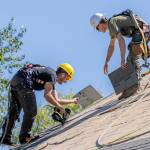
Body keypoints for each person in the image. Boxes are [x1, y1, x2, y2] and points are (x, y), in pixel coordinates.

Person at [0, 63, 79, 145]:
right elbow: (47, 95)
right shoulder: (52, 76)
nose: (66, 82)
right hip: (24, 82)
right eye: (67, 78)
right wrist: (60, 107)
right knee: (31, 111)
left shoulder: (50, 76)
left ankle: (5, 137)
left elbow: (56, 100)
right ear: (63, 74)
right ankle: (25, 137)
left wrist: (72, 101)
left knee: (14, 112)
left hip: (16, 81)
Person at [90, 10, 150, 99]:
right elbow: (111, 46)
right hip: (143, 31)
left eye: (97, 28)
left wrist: (122, 59)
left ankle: (134, 86)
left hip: (142, 31)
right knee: (135, 51)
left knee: (132, 58)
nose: (99, 31)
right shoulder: (112, 25)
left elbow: (121, 41)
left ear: (99, 23)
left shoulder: (111, 23)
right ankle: (130, 86)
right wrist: (107, 61)